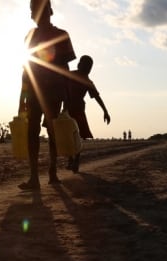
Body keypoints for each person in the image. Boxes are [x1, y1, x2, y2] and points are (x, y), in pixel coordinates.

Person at [17, 0, 76, 190]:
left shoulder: (61, 35)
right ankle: (34, 177)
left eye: (35, 10)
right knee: (32, 132)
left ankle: (52, 172)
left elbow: (65, 68)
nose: (32, 14)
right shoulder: (30, 36)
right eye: (32, 11)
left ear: (49, 11)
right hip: (34, 91)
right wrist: (22, 98)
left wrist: (67, 96)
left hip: (54, 91)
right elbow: (27, 68)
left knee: (53, 133)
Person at [66, 55, 111, 173]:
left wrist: (105, 111)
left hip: (78, 110)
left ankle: (75, 160)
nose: (87, 68)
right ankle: (71, 159)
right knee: (68, 136)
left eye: (88, 66)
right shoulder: (70, 74)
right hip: (67, 110)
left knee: (78, 136)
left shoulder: (87, 80)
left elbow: (97, 97)